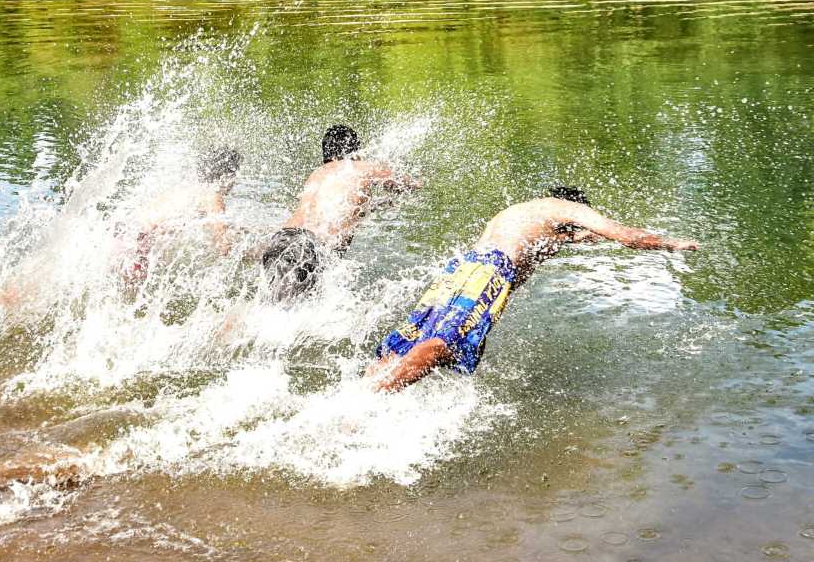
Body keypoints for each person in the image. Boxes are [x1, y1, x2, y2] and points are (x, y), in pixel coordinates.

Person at [366, 187, 699, 390]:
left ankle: (358, 392)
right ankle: (366, 404)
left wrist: (579, 238)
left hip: (461, 271)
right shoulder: (570, 209)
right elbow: (625, 236)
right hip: (492, 274)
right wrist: (671, 244)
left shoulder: (526, 212)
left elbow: (570, 238)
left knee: (413, 339)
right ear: (575, 209)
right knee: (443, 346)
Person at [260, 125, 418, 302]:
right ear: (355, 150)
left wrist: (377, 204)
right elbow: (409, 184)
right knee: (286, 312)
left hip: (282, 240)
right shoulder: (360, 167)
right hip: (307, 248)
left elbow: (337, 213)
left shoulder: (318, 173)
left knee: (269, 306)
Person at [128, 146, 244, 276]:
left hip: (127, 233)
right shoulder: (213, 196)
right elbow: (223, 244)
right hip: (142, 243)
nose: (235, 182)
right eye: (235, 175)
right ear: (228, 176)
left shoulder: (185, 190)